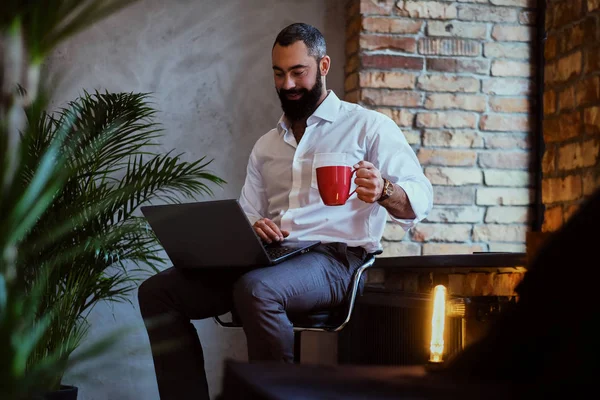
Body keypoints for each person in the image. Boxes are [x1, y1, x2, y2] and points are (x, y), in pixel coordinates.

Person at [137, 22, 433, 400]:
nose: (288, 84)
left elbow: (420, 199)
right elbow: (247, 214)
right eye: (279, 74)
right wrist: (254, 227)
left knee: (257, 290)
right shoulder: (266, 146)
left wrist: (385, 190)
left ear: (323, 66)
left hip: (336, 260)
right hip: (270, 258)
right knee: (158, 292)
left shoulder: (368, 127)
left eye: (298, 72)